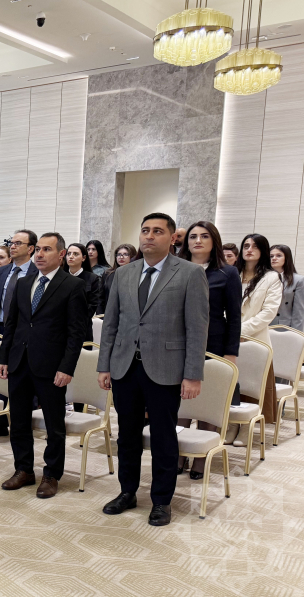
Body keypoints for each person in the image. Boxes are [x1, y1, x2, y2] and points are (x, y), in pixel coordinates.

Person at [97, 212, 208, 527]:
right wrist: (104, 365)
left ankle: (161, 500)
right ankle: (127, 492)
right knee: (127, 435)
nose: (149, 236)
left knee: (163, 437)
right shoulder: (123, 273)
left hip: (166, 368)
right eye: (145, 230)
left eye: (157, 231)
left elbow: (197, 328)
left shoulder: (189, 273)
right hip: (124, 367)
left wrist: (193, 374)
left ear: (172, 238)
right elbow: (111, 323)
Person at [0, 233, 89, 498]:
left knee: (53, 424)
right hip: (19, 361)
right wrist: (4, 357)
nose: (39, 254)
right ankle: (24, 469)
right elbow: (12, 325)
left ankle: (51, 475)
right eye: (37, 249)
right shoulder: (24, 283)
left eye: (46, 249)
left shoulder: (72, 286)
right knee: (19, 420)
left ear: (61, 254)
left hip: (51, 365)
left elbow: (76, 333)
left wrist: (67, 367)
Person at [175, 222, 241, 478]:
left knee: (207, 401)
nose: (198, 241)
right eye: (193, 236)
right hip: (178, 343)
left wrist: (230, 353)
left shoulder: (227, 273)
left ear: (214, 241)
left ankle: (201, 458)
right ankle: (179, 454)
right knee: (181, 402)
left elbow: (234, 317)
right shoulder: (176, 268)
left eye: (204, 236)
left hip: (214, 344)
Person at [0, 229, 38, 438]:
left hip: (24, 332)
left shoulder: (37, 272)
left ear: (30, 248)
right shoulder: (1, 272)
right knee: (0, 376)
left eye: (17, 243)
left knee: (22, 379)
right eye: (11, 243)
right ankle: (0, 422)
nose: (12, 246)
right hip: (0, 328)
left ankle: (23, 422)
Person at [236, 233, 282, 436]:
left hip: (256, 339)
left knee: (251, 385)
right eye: (246, 245)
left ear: (263, 251)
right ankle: (231, 424)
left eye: (255, 246)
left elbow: (268, 313)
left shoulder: (271, 277)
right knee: (231, 384)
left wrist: (239, 330)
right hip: (230, 339)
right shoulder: (233, 273)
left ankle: (247, 427)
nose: (249, 249)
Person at [63, 242, 102, 319]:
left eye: (75, 254)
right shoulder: (60, 277)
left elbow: (92, 305)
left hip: (82, 321)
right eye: (69, 254)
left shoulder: (93, 278)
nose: (71, 256)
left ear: (83, 258)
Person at [270, 244, 304, 331]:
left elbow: (298, 311)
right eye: (271, 256)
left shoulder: (298, 280)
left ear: (287, 258)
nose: (274, 258)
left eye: (278, 256)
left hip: (284, 327)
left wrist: (296, 334)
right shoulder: (262, 278)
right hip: (263, 326)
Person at [99, 244, 137, 315]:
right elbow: (101, 297)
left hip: (129, 315)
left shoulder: (137, 274)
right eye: (119, 254)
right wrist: (101, 314)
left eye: (125, 254)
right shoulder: (108, 273)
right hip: (108, 313)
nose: (121, 257)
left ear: (133, 257)